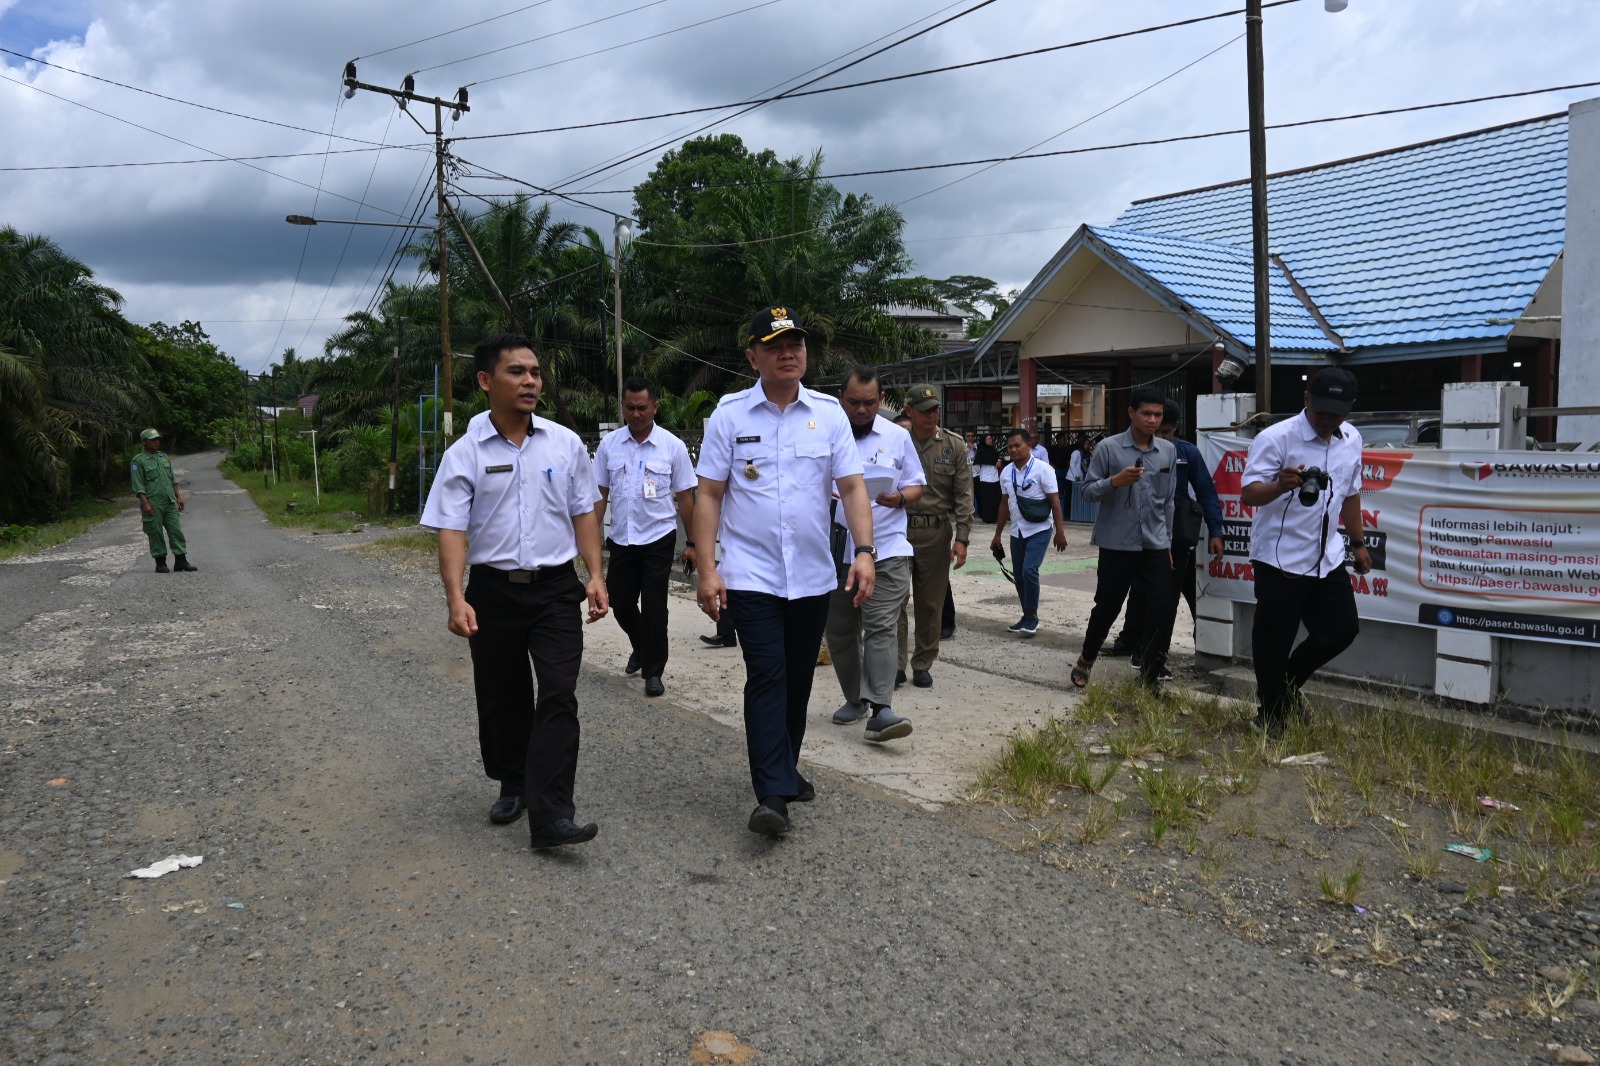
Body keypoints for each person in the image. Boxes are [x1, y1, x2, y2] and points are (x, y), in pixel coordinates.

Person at [420, 333, 609, 851]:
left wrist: (594, 574)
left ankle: (551, 816)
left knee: (558, 693)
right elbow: (451, 531)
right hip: (493, 591)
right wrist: (455, 597)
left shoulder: (565, 443)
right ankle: (513, 782)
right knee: (502, 696)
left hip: (554, 590)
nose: (531, 381)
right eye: (517, 372)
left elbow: (583, 513)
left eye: (535, 372)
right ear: (485, 381)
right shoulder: (464, 454)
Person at [692, 305, 875, 837]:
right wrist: (708, 569)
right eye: (774, 345)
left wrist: (864, 551)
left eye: (795, 343)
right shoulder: (730, 415)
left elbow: (855, 487)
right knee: (768, 675)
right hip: (751, 573)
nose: (788, 352)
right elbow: (708, 495)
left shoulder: (828, 413)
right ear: (753, 356)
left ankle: (785, 768)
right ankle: (771, 794)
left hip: (814, 573)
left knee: (797, 679)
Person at [1242, 367, 1370, 735]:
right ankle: (1270, 716)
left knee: (1341, 629)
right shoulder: (1276, 438)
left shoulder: (1351, 438)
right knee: (1274, 641)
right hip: (1279, 559)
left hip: (1327, 558)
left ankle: (1282, 688)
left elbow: (1349, 492)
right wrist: (1281, 484)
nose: (1328, 421)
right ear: (1306, 400)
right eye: (1322, 412)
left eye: (1337, 413)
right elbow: (1249, 494)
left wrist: (1357, 544)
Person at [826, 366, 925, 741]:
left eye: (870, 403)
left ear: (880, 400)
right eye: (854, 402)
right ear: (841, 398)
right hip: (835, 553)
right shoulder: (826, 437)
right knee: (839, 633)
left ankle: (882, 709)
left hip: (887, 549)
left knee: (881, 626)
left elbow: (917, 485)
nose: (862, 410)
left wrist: (899, 497)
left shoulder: (898, 437)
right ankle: (856, 698)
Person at [1103, 399, 1226, 677]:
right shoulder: (1123, 450)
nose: (1160, 437)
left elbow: (1206, 492)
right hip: (1133, 536)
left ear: (1174, 429)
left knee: (1165, 599)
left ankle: (1154, 658)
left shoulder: (1186, 454)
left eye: (1166, 432)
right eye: (1156, 432)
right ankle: (1135, 646)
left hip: (1173, 540)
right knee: (1135, 595)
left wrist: (1216, 531)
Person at [593, 376, 698, 698]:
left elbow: (686, 498)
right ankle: (640, 646)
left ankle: (654, 671)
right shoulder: (609, 446)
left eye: (642, 408)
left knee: (655, 608)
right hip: (621, 538)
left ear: (655, 407)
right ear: (623, 407)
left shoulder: (672, 447)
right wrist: (590, 539)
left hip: (658, 537)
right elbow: (599, 494)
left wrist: (692, 543)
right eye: (630, 408)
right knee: (621, 602)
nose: (636, 414)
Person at [1070, 387, 1178, 693]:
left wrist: (1168, 542)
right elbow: (1088, 491)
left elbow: (1168, 501)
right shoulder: (1108, 448)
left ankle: (1151, 673)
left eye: (1158, 414)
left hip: (1155, 544)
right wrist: (1115, 482)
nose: (1153, 420)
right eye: (1147, 413)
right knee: (1107, 606)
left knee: (1161, 606)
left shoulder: (1168, 451)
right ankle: (1086, 659)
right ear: (1131, 413)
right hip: (1117, 543)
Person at [896, 384, 975, 686]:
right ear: (909, 411)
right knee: (896, 601)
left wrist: (962, 538)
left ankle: (922, 663)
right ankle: (895, 665)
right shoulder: (897, 442)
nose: (933, 414)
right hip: (898, 530)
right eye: (926, 409)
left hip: (936, 533)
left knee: (931, 603)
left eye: (936, 409)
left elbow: (964, 496)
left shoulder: (953, 446)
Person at [990, 427, 1067, 636]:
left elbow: (1055, 501)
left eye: (1018, 445)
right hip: (1017, 531)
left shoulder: (1043, 469)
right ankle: (1026, 615)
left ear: (1029, 445)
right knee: (1019, 575)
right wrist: (997, 535)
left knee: (1029, 570)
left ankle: (1032, 616)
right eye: (1010, 447)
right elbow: (1004, 505)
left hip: (1040, 528)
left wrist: (1060, 531)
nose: (1013, 450)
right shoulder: (1006, 472)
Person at [131, 429, 197, 573]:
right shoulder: (138, 461)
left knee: (176, 530)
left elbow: (171, 479)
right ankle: (160, 563)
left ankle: (181, 561)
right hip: (153, 503)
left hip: (168, 501)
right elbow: (138, 485)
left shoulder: (164, 457)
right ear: (144, 442)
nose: (156, 442)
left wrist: (178, 496)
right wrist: (145, 503)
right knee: (156, 533)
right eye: (152, 439)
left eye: (157, 439)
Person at [973, 433, 1002, 523]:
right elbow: (976, 466)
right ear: (984, 441)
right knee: (987, 499)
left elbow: (998, 460)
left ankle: (994, 517)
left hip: (995, 477)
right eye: (988, 439)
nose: (990, 440)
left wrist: (999, 461)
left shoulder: (993, 450)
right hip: (985, 478)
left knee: (996, 499)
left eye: (990, 438)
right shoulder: (981, 451)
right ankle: (987, 518)